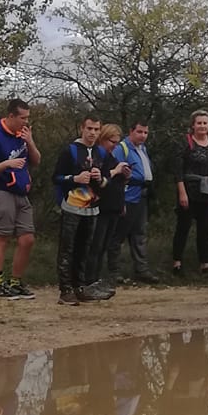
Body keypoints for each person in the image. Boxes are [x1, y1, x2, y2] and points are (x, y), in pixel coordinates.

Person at [0, 98, 41, 299]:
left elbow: (36, 161)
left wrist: (30, 141)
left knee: (27, 239)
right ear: (11, 116)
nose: (26, 122)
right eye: (22, 118)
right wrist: (6, 164)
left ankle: (15, 282)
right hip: (1, 191)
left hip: (21, 191)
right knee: (2, 237)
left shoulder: (22, 136)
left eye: (28, 118)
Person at [52, 113, 111, 304]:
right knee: (67, 248)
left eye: (96, 129)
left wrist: (100, 179)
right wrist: (74, 178)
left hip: (92, 208)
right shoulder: (70, 150)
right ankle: (65, 289)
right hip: (72, 206)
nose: (92, 133)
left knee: (84, 248)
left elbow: (108, 180)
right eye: (89, 129)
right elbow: (56, 177)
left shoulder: (101, 152)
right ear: (82, 129)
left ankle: (80, 286)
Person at [172, 110, 208, 276]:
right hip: (190, 190)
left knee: (205, 229)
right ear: (193, 125)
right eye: (199, 123)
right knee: (183, 227)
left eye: (205, 123)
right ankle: (177, 263)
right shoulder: (186, 142)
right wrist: (182, 193)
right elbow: (178, 171)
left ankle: (204, 264)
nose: (202, 126)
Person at [84, 122, 132, 299]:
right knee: (95, 246)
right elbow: (100, 182)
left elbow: (116, 183)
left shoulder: (111, 156)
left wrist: (125, 176)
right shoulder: (97, 157)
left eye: (117, 142)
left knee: (103, 246)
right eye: (112, 141)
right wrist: (115, 171)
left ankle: (95, 281)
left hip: (114, 207)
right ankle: (87, 282)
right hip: (100, 208)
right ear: (103, 139)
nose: (115, 146)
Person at [111, 120, 159, 285]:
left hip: (142, 195)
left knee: (139, 233)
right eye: (139, 132)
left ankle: (141, 270)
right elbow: (116, 173)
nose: (143, 136)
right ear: (131, 131)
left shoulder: (142, 148)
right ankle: (114, 271)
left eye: (146, 132)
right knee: (119, 234)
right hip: (128, 196)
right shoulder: (122, 149)